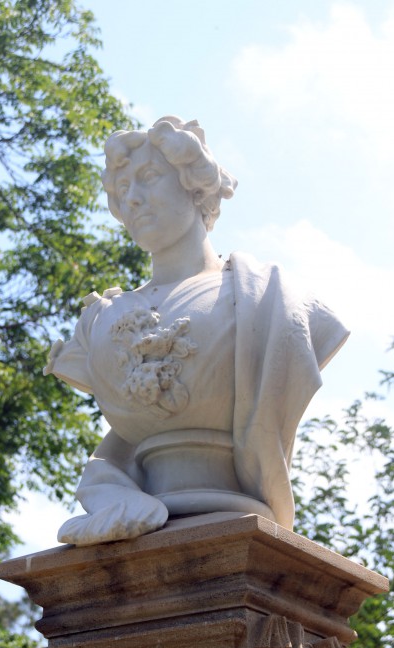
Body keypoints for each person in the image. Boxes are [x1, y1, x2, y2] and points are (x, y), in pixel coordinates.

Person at [44, 116, 349, 546]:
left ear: (195, 184)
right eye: (122, 189)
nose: (133, 198)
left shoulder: (271, 298)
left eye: (148, 178)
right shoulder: (100, 322)